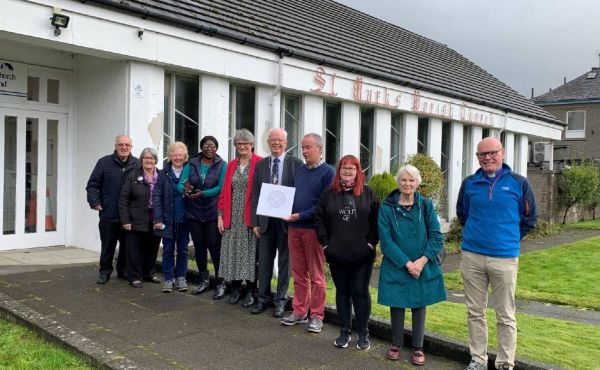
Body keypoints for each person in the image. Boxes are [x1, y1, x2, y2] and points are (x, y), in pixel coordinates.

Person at [457, 137, 537, 370]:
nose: (487, 158)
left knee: (505, 314)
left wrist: (508, 238)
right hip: (472, 256)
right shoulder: (470, 183)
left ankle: (504, 363)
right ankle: (478, 359)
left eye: (492, 152)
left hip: (504, 258)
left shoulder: (519, 183)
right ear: (477, 158)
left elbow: (529, 219)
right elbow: (463, 214)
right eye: (482, 154)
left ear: (502, 153)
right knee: (475, 312)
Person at [378, 164, 446, 366]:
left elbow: (435, 235)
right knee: (397, 304)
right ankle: (396, 344)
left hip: (421, 264)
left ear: (417, 183)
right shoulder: (386, 207)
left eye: (411, 180)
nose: (407, 183)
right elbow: (386, 240)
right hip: (397, 264)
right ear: (398, 182)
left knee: (419, 305)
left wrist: (422, 261)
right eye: (403, 180)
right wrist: (407, 263)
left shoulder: (425, 205)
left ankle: (418, 347)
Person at [315, 155, 379, 350]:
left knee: (360, 292)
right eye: (344, 168)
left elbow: (377, 221)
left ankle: (363, 332)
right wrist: (326, 244)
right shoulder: (328, 193)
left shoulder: (368, 193)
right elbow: (319, 220)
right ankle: (344, 331)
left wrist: (370, 243)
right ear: (339, 171)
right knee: (343, 292)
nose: (348, 172)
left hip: (362, 255)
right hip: (337, 253)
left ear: (358, 171)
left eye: (352, 169)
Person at [281, 133, 334, 333]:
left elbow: (324, 205)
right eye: (302, 147)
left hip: (313, 230)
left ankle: (317, 316)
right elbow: (291, 196)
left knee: (317, 276)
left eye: (308, 147)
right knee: (299, 274)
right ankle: (299, 312)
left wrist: (299, 215)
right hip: (294, 229)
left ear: (320, 149)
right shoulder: (301, 171)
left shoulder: (328, 173)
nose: (304, 151)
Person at [250, 128, 303, 317]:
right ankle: (262, 299)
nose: (276, 143)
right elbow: (255, 193)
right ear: (268, 142)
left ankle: (280, 300)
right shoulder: (261, 165)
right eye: (273, 140)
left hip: (286, 222)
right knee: (264, 262)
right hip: (264, 221)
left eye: (280, 140)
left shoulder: (296, 164)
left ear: (286, 143)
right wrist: (254, 221)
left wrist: (296, 216)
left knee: (284, 263)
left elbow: (300, 193)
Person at [217, 129, 262, 307]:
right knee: (233, 253)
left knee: (251, 255)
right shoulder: (232, 165)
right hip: (232, 217)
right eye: (239, 144)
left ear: (252, 145)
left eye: (246, 143)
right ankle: (235, 288)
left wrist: (258, 220)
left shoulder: (260, 163)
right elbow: (224, 193)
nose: (242, 146)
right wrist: (220, 216)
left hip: (250, 218)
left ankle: (251, 289)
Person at [178, 136, 227, 299]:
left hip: (212, 212)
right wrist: (185, 191)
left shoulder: (222, 165)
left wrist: (203, 193)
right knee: (199, 247)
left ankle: (220, 282)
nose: (209, 148)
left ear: (217, 148)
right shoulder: (192, 163)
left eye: (212, 145)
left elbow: (221, 187)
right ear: (201, 147)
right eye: (206, 145)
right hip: (194, 212)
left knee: (214, 247)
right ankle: (203, 281)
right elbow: (181, 183)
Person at [86, 135, 139, 284]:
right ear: (115, 146)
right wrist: (95, 202)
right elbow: (92, 185)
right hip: (109, 213)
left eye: (127, 145)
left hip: (129, 215)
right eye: (120, 144)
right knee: (108, 245)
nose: (124, 147)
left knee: (127, 246)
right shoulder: (104, 163)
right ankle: (105, 271)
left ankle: (123, 270)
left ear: (131, 147)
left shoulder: (137, 164)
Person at [118, 147, 162, 288]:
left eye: (151, 158)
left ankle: (148, 273)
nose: (149, 160)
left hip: (155, 219)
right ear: (141, 160)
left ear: (155, 160)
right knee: (134, 250)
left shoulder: (161, 176)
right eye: (146, 158)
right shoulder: (133, 175)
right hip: (136, 218)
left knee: (152, 248)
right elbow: (123, 199)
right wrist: (125, 220)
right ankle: (135, 276)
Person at [153, 142, 190, 293]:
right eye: (175, 155)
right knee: (168, 250)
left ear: (185, 156)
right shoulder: (163, 174)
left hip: (185, 219)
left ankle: (181, 276)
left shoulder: (189, 172)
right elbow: (156, 196)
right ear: (170, 156)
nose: (177, 158)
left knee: (183, 250)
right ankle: (169, 278)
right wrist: (158, 218)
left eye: (180, 155)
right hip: (168, 220)